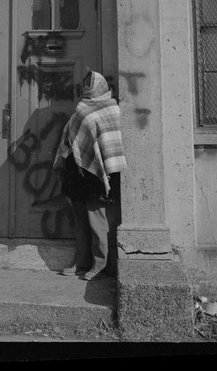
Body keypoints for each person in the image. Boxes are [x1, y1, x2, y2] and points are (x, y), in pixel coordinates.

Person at [53, 71, 127, 281]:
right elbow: (72, 138)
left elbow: (112, 142)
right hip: (77, 172)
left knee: (98, 220)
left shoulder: (112, 108)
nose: (89, 87)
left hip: (98, 173)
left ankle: (101, 265)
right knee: (80, 220)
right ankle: (81, 262)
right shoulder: (83, 106)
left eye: (91, 85)